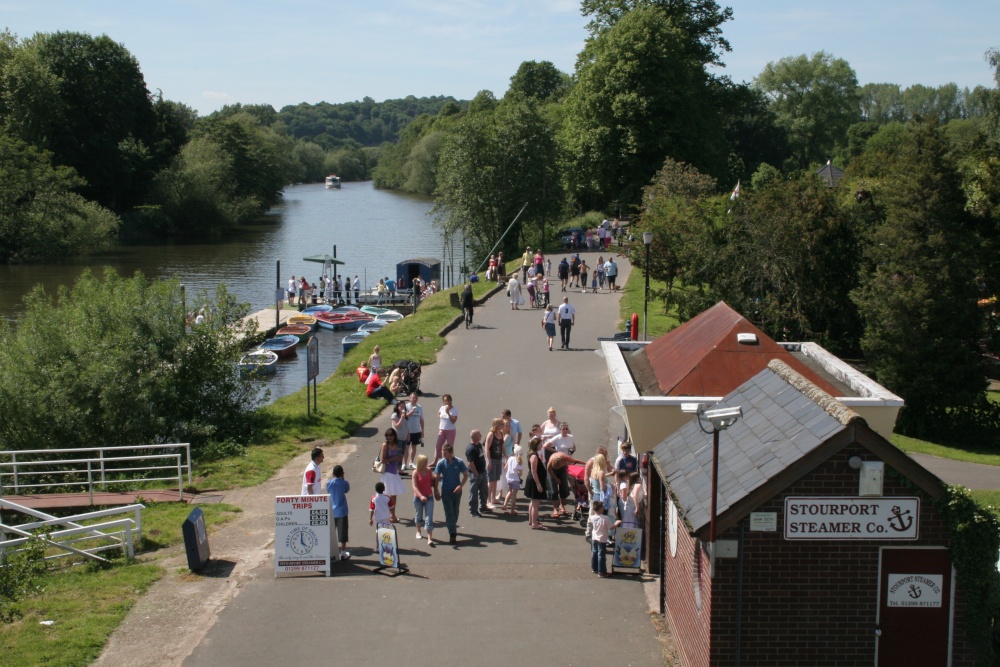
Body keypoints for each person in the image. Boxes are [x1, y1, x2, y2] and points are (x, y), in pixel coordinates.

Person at [433, 444, 469, 544]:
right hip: (446, 491)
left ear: (450, 453)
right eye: (442, 452)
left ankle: (451, 525)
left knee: (455, 511)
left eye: (445, 453)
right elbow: (436, 477)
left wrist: (460, 486)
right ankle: (452, 533)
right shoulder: (441, 463)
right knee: (449, 512)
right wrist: (436, 490)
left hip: (457, 491)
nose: (443, 454)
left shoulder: (459, 462)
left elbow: (466, 475)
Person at [377, 428, 405, 522]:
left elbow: (400, 455)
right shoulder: (385, 445)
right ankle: (391, 516)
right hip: (387, 472)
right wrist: (393, 458)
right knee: (388, 494)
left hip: (394, 471)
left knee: (394, 494)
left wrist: (399, 457)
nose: (389, 437)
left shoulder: (397, 444)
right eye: (387, 436)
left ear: (394, 436)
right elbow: (382, 460)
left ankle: (392, 515)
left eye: (391, 435)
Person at [546, 450, 585, 518]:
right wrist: (556, 478)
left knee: (564, 487)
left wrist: (586, 463)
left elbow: (575, 461)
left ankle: (562, 505)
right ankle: (555, 508)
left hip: (563, 470)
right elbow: (549, 470)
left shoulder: (565, 457)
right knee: (553, 490)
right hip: (552, 471)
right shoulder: (551, 461)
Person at [588, 500, 621, 577]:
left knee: (594, 552)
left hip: (594, 537)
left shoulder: (592, 517)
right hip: (602, 539)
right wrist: (616, 523)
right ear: (601, 509)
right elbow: (611, 528)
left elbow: (590, 523)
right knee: (601, 555)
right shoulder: (605, 518)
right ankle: (602, 571)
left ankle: (594, 568)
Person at [326, 465, 351, 560]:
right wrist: (343, 478)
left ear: (333, 474)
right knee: (343, 532)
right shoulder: (344, 483)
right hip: (342, 511)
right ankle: (343, 552)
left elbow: (328, 490)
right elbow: (347, 490)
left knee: (331, 532)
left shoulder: (329, 483)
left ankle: (331, 552)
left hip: (332, 510)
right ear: (342, 473)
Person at [411, 454, 436, 544]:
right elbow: (414, 486)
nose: (426, 463)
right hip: (418, 498)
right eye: (425, 461)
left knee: (429, 517)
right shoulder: (415, 472)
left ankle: (430, 538)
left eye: (427, 461)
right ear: (420, 462)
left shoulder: (429, 470)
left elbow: (433, 480)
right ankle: (418, 531)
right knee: (419, 515)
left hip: (429, 497)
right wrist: (421, 496)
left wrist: (435, 484)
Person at [523, 437, 547, 530]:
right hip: (534, 482)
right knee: (536, 503)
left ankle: (531, 520)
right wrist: (538, 484)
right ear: (536, 445)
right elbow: (534, 472)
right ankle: (534, 523)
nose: (542, 445)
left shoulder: (533, 454)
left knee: (533, 502)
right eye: (540, 444)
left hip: (534, 480)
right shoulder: (534, 456)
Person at [465, 429, 489, 517]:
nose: (481, 436)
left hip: (482, 471)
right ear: (475, 437)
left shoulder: (478, 445)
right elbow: (470, 463)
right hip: (475, 474)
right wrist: (476, 473)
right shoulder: (470, 449)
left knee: (484, 490)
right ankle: (473, 510)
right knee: (473, 492)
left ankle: (483, 506)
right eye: (479, 435)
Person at [485, 418, 506, 507]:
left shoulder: (500, 434)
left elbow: (502, 446)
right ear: (497, 425)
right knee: (491, 480)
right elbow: (486, 448)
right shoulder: (491, 434)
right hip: (492, 459)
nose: (503, 426)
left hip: (498, 459)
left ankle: (493, 499)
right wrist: (489, 461)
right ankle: (488, 500)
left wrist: (506, 456)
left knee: (496, 479)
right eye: (502, 424)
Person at [434, 394, 458, 464]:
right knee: (438, 446)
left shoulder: (454, 410)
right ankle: (435, 461)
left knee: (449, 447)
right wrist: (440, 415)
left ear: (450, 401)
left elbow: (453, 421)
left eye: (448, 400)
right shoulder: (442, 408)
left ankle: (449, 461)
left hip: (450, 430)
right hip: (442, 429)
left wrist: (448, 413)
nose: (446, 402)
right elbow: (439, 414)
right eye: (445, 401)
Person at [403, 393, 424, 471]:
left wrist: (422, 430)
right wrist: (410, 413)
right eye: (413, 398)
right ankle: (404, 463)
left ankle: (411, 462)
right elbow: (404, 417)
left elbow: (421, 420)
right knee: (406, 447)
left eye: (416, 398)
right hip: (407, 431)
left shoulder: (419, 408)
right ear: (410, 398)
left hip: (416, 430)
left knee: (414, 447)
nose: (414, 399)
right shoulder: (406, 407)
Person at [501, 445, 523, 514]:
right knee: (514, 496)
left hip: (509, 478)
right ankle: (512, 510)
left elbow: (505, 467)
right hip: (515, 480)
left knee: (509, 492)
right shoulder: (520, 462)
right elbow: (520, 473)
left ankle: (505, 504)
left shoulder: (510, 458)